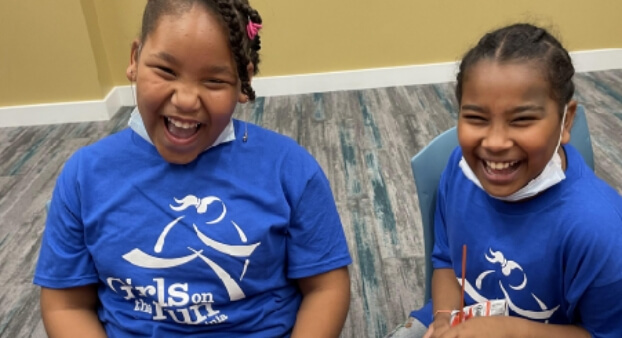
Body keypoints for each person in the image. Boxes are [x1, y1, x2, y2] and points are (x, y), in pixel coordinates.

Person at [33, 0, 352, 337]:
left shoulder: (291, 170)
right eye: (166, 71)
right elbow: (66, 304)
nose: (186, 99)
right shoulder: (84, 176)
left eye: (213, 81)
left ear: (243, 82)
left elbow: (325, 288)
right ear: (134, 60)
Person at [387, 23, 622, 338]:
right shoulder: (458, 171)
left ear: (566, 120)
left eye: (522, 119)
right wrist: (444, 318)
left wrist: (508, 331)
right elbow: (445, 260)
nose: (495, 142)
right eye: (476, 118)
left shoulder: (599, 229)